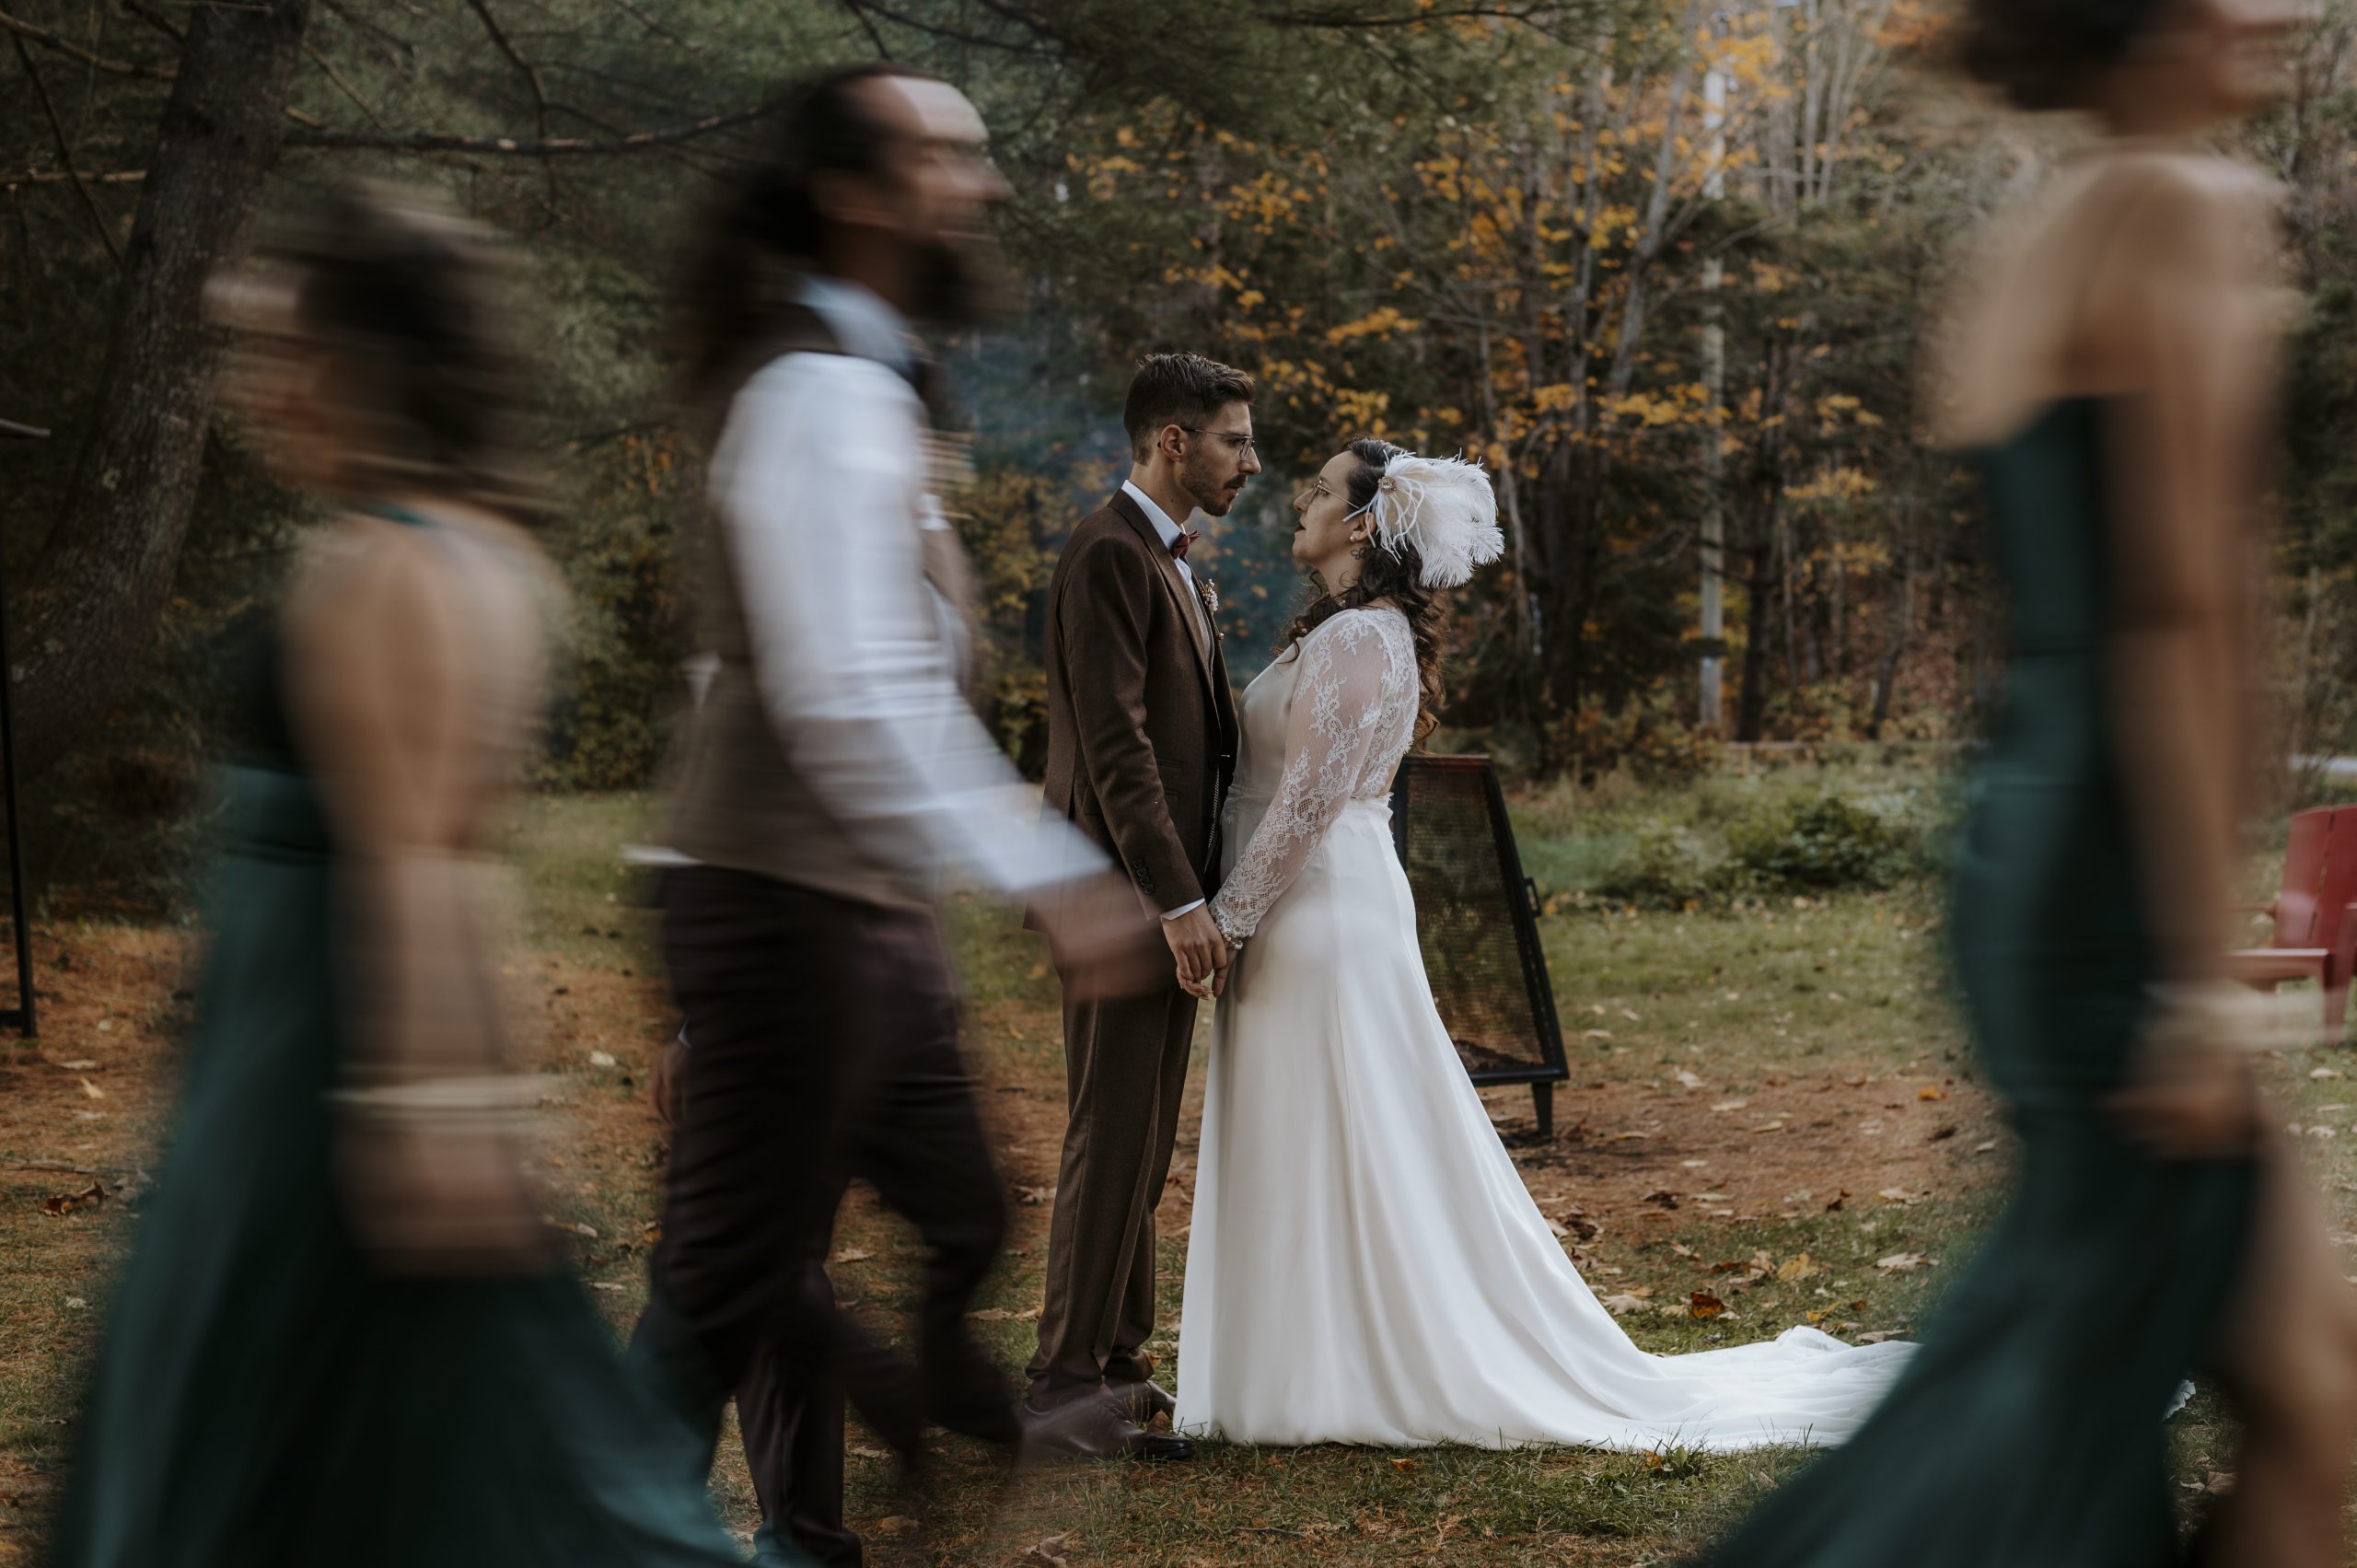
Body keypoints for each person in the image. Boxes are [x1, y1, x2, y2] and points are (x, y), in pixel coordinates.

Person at [1693, 2, 2357, 1563]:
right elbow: (2181, 612)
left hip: (2031, 836)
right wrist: (2199, 980)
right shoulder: (2180, 207)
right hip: (2112, 875)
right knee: (2238, 1396)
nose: (2275, 11)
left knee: (2296, 1381)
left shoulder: (2041, 229)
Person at [49, 183, 743, 1568]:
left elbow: (424, 864)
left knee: (327, 1429)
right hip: (281, 1041)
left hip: (317, 1057)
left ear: (359, 362)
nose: (259, 387)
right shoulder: (475, 550)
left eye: (275, 347)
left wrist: (433, 1116)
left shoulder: (387, 565)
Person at [635, 63, 1154, 1566]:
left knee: (966, 1212)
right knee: (724, 1275)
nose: (983, 186)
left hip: (853, 903)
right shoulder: (816, 388)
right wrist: (1051, 872)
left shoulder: (872, 383)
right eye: (952, 158)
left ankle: (922, 1412)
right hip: (774, 892)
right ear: (859, 193)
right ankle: (627, 1516)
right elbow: (840, 694)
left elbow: (818, 676)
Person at [1174, 439, 1914, 1447]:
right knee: (1330, 1129)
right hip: (1316, 904)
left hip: (1314, 910)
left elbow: (1305, 802)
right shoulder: (1359, 631)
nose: (1296, 498)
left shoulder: (1359, 641)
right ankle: (1315, 1358)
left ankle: (1340, 1365)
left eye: (1317, 489)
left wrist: (1228, 917)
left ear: (1359, 525)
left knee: (1337, 1127)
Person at [1019, 353, 1250, 1460]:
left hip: (1149, 900)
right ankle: (1059, 1386)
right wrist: (1177, 899)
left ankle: (1117, 1360)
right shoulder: (1109, 552)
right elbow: (1118, 748)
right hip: (1115, 899)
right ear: (1172, 440)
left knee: (1144, 1135)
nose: (1248, 462)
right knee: (1109, 1136)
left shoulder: (1174, 563)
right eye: (1232, 441)